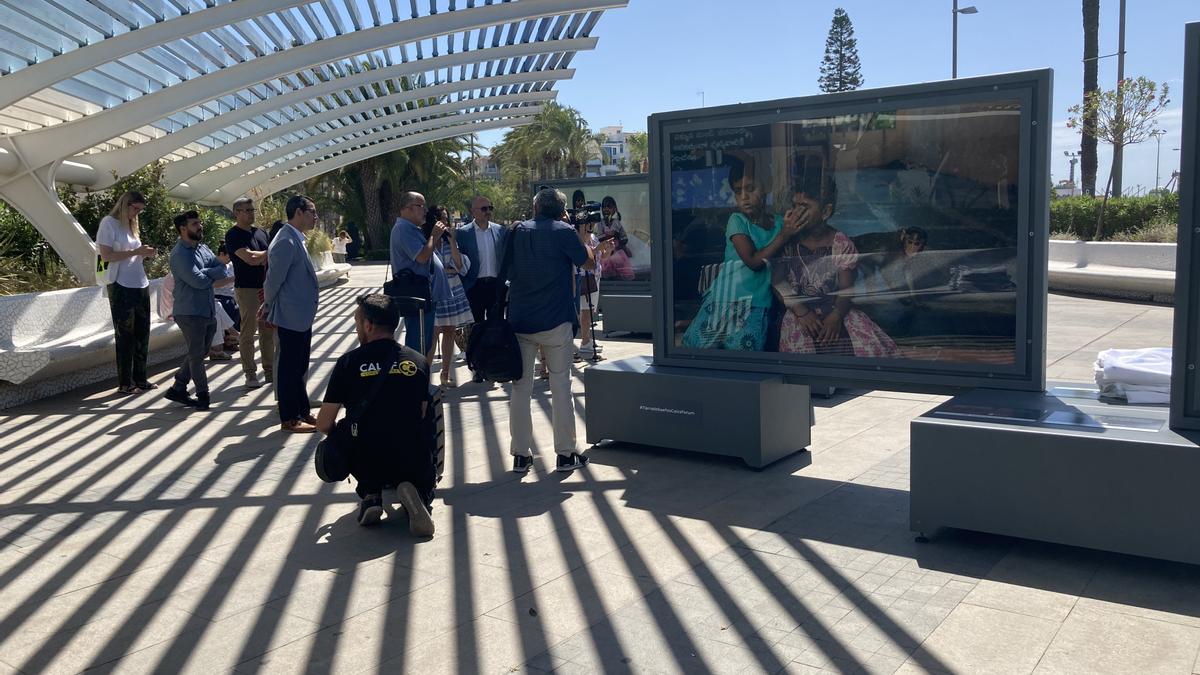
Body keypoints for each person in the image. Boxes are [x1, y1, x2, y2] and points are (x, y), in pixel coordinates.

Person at [317, 294, 435, 533]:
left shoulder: (348, 363)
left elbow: (323, 423)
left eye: (356, 323)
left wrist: (338, 435)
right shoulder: (418, 361)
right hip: (410, 452)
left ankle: (371, 494)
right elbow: (422, 413)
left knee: (352, 431)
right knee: (412, 428)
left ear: (368, 325)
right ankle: (416, 491)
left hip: (366, 454)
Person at [505, 188, 595, 475]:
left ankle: (521, 455)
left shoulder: (515, 231)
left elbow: (503, 270)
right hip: (555, 320)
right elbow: (588, 262)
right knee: (561, 386)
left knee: (520, 388)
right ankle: (566, 454)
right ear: (562, 210)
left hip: (520, 320)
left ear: (534, 207)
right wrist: (581, 235)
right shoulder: (564, 232)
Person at [681, 158, 800, 351]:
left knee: (745, 352)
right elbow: (753, 261)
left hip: (757, 304)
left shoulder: (779, 223)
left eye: (751, 189)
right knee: (701, 352)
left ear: (766, 187)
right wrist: (784, 236)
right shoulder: (737, 221)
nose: (744, 197)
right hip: (724, 301)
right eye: (738, 191)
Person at [773, 179, 901, 357]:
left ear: (826, 211)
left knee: (863, 352)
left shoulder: (840, 243)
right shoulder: (788, 242)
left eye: (804, 206)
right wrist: (801, 312)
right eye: (794, 206)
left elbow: (846, 289)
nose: (796, 213)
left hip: (836, 312)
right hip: (799, 315)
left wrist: (836, 316)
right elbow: (777, 281)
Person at [263, 195, 321, 433]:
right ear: (298, 212)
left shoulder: (296, 238)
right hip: (290, 314)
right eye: (312, 212)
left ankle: (301, 409)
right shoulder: (286, 241)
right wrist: (267, 305)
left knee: (299, 366)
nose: (315, 217)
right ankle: (289, 418)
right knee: (288, 368)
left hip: (299, 315)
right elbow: (273, 280)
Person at [165, 210, 232, 411]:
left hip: (207, 310)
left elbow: (222, 269)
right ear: (183, 229)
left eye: (199, 223)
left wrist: (208, 271)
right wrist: (211, 272)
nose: (199, 226)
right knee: (196, 355)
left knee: (200, 351)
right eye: (195, 224)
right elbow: (199, 281)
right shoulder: (179, 254)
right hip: (189, 312)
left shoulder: (202, 248)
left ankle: (178, 387)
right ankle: (203, 396)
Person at [96, 191, 157, 395]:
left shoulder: (131, 226)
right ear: (125, 205)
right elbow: (106, 256)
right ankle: (125, 382)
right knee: (125, 335)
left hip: (140, 283)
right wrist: (135, 252)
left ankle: (140, 378)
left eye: (140, 210)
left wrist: (145, 253)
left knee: (142, 333)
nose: (137, 213)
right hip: (120, 285)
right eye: (135, 209)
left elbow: (133, 256)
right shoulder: (109, 223)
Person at [390, 191, 449, 364]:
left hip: (424, 295)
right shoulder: (403, 229)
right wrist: (434, 236)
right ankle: (414, 384)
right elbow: (422, 257)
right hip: (417, 295)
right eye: (420, 206)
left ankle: (419, 382)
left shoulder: (410, 228)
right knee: (418, 343)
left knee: (425, 341)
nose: (424, 210)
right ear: (406, 208)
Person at [224, 197, 274, 389]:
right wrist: (267, 254)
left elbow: (262, 257)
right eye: (246, 210)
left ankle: (269, 371)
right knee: (248, 330)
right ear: (236, 213)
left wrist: (262, 256)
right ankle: (250, 373)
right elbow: (250, 259)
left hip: (266, 287)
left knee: (267, 330)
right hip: (247, 288)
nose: (251, 213)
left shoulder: (261, 232)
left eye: (252, 209)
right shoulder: (233, 235)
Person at [457, 195, 507, 383]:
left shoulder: (500, 230)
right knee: (476, 329)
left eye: (490, 208)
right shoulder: (463, 233)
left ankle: (493, 366)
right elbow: (458, 259)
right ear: (473, 212)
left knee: (495, 326)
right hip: (474, 286)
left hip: (495, 285)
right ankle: (478, 367)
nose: (488, 212)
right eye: (484, 209)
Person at [426, 205, 473, 388]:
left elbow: (459, 265)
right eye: (442, 218)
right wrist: (448, 269)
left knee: (449, 331)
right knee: (432, 334)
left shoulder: (448, 241)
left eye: (446, 218)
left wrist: (453, 241)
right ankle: (425, 377)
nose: (445, 222)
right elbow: (427, 266)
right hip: (435, 291)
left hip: (453, 289)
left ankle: (445, 374)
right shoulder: (426, 239)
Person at [597, 196, 635, 281]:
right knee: (605, 262)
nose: (606, 209)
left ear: (614, 209)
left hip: (616, 248)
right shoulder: (600, 223)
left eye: (609, 207)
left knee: (618, 260)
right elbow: (599, 237)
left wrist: (618, 244)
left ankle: (616, 277)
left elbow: (624, 238)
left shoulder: (617, 223)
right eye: (604, 207)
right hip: (605, 249)